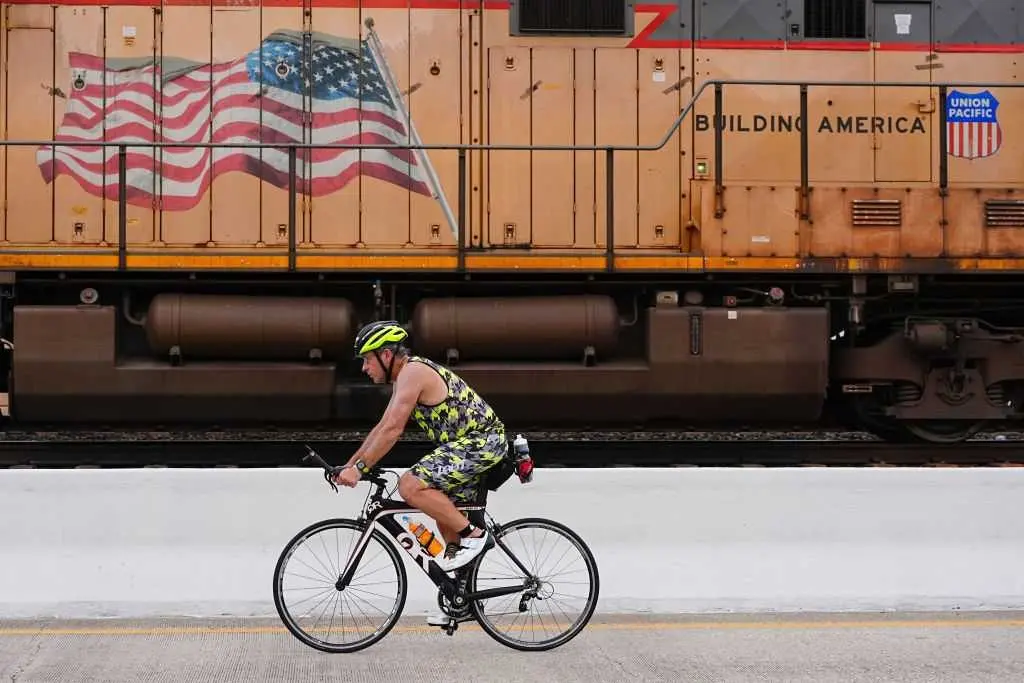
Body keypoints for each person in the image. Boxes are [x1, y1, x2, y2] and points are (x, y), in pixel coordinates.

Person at [332, 319, 508, 585]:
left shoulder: (413, 372)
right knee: (444, 516)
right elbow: (381, 427)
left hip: (483, 442)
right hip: (466, 447)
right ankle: (459, 600)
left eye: (367, 359)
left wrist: (359, 470)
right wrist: (350, 465)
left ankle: (475, 536)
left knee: (411, 485)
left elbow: (393, 430)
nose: (364, 368)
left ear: (387, 355)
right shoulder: (404, 378)